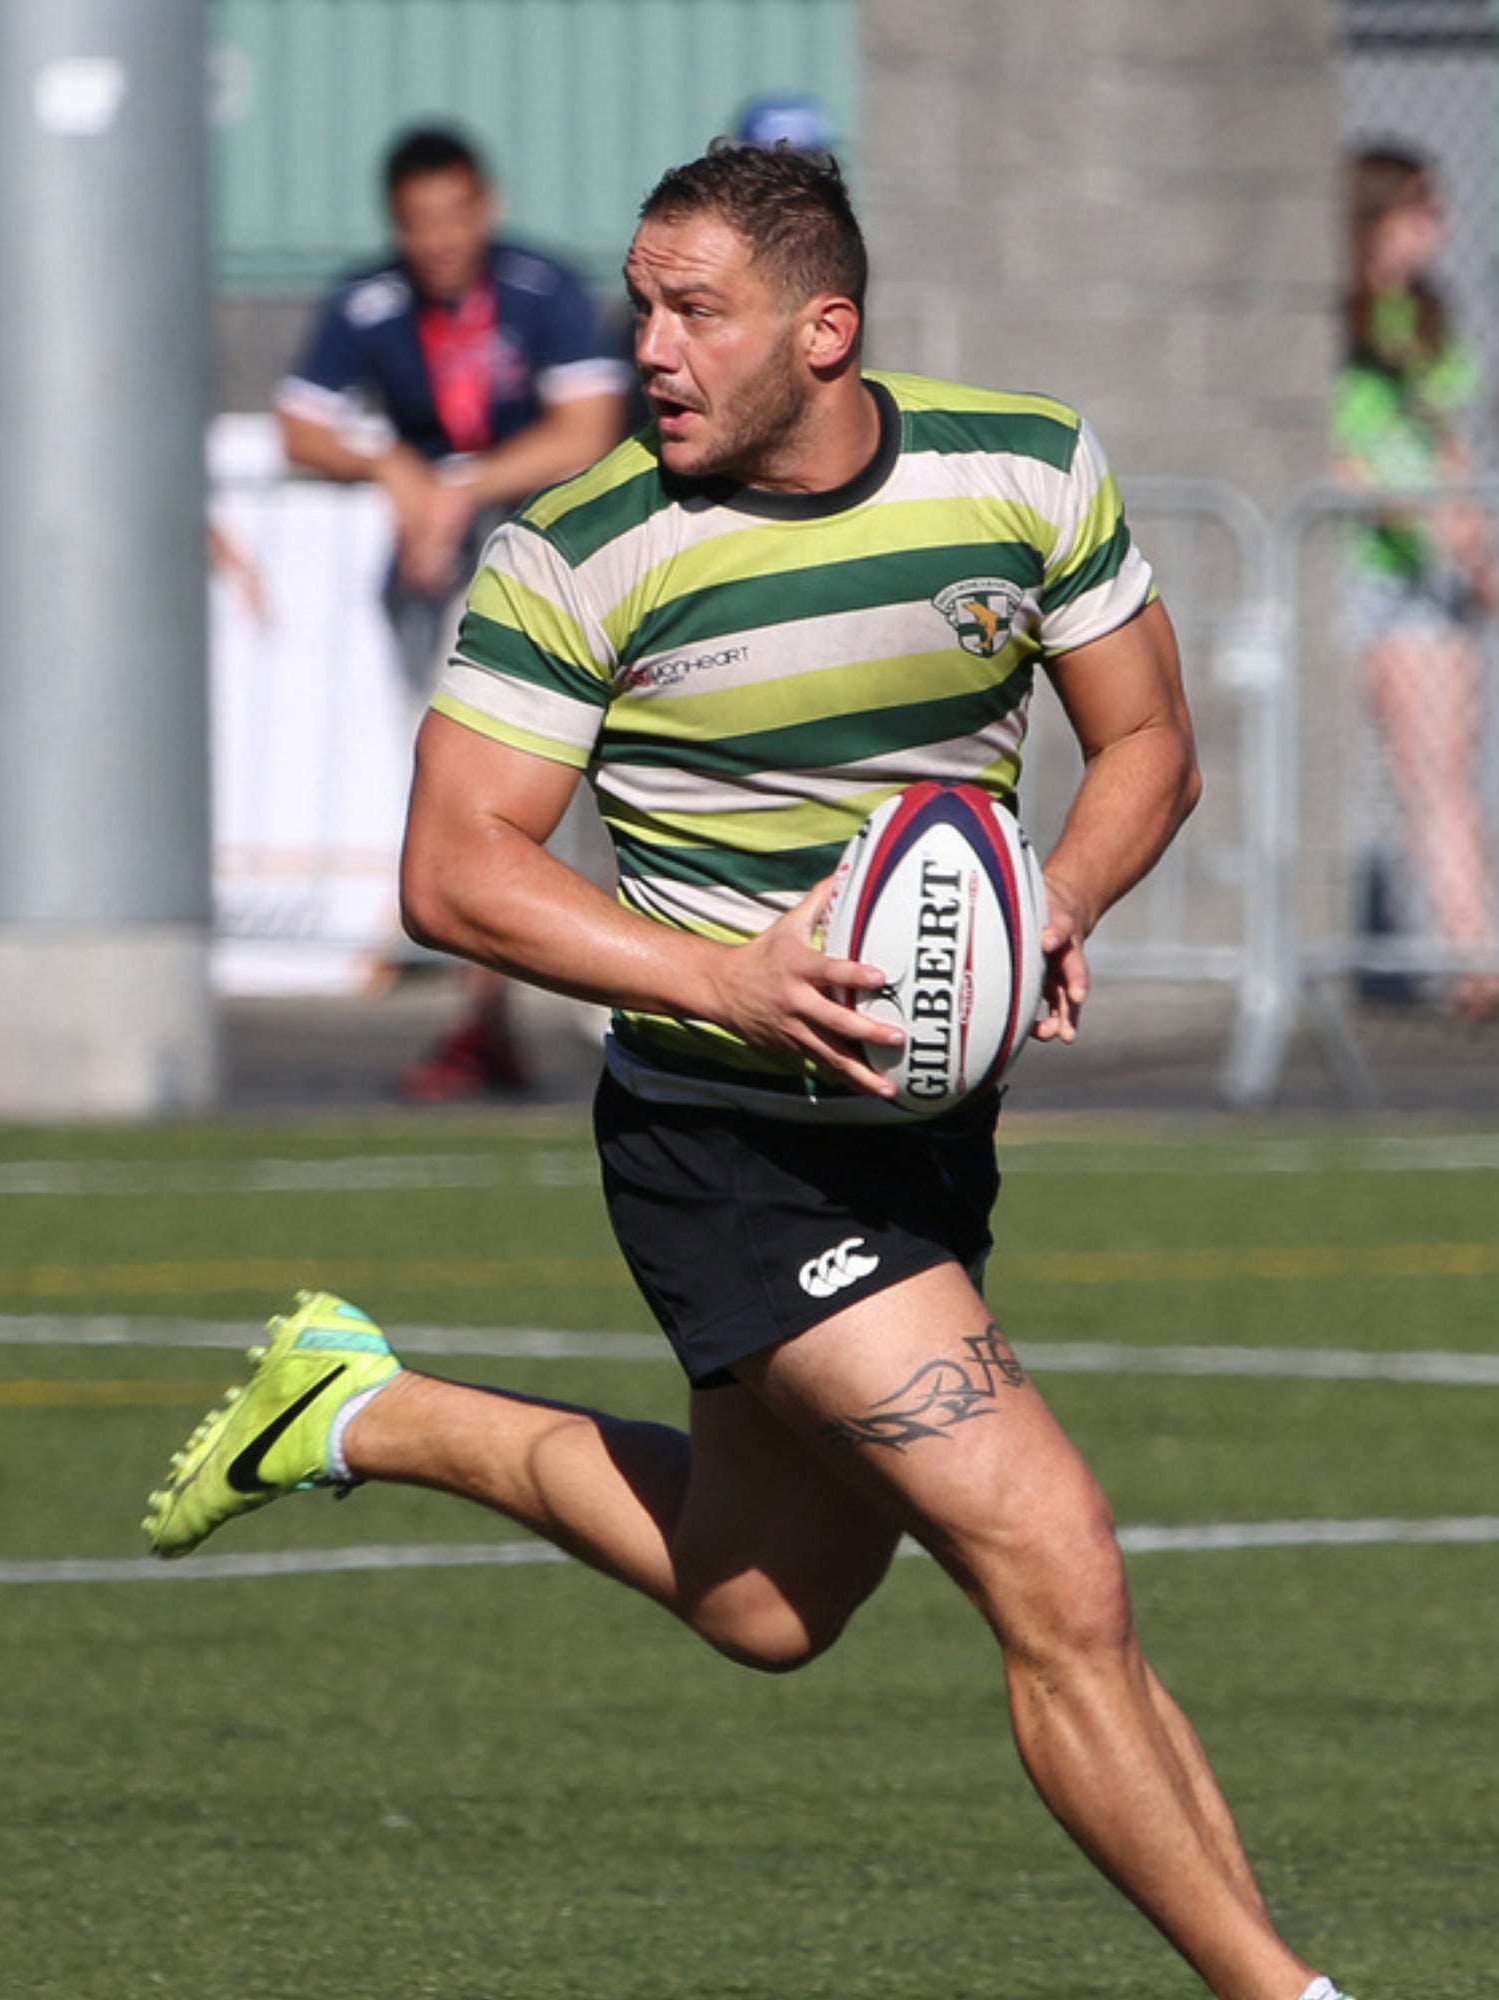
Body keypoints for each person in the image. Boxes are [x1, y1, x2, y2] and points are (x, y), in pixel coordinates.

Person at [149, 143, 1358, 2000]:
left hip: (922, 1139)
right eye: (641, 306)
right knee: (1059, 1565)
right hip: (729, 1143)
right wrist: (732, 976)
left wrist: (1056, 900)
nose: (649, 348)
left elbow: (1149, 747)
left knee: (766, 1600)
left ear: (826, 327)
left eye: (693, 309)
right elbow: (455, 867)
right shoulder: (581, 553)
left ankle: (354, 1411)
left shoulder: (1020, 470)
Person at [276, 123, 631, 1094]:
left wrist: (454, 488)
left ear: (488, 206)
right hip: (436, 584)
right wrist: (391, 463)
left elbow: (587, 430)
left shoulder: (540, 291)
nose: (438, 238)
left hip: (552, 574)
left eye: (454, 213)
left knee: (572, 798)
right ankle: (490, 1017)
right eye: (417, 221)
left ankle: (616, 1010)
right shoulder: (370, 300)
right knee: (461, 793)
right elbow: (300, 426)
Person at [1334, 144, 1499, 1021]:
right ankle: (1469, 953)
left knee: (1445, 770)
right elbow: (1333, 448)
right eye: (1423, 211)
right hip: (1358, 573)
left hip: (1427, 577)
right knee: (1423, 769)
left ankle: (1474, 956)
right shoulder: (1333, 312)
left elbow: (1446, 441)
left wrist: (1475, 550)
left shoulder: (1424, 315)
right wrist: (1399, 507)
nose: (1439, 229)